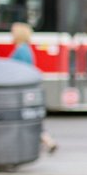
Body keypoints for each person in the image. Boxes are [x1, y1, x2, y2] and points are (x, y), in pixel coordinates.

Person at [9, 22, 57, 153]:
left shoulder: (21, 50)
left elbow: (20, 70)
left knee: (25, 115)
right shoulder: (24, 48)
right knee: (28, 115)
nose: (10, 34)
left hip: (21, 89)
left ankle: (46, 140)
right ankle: (46, 140)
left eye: (13, 32)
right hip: (24, 88)